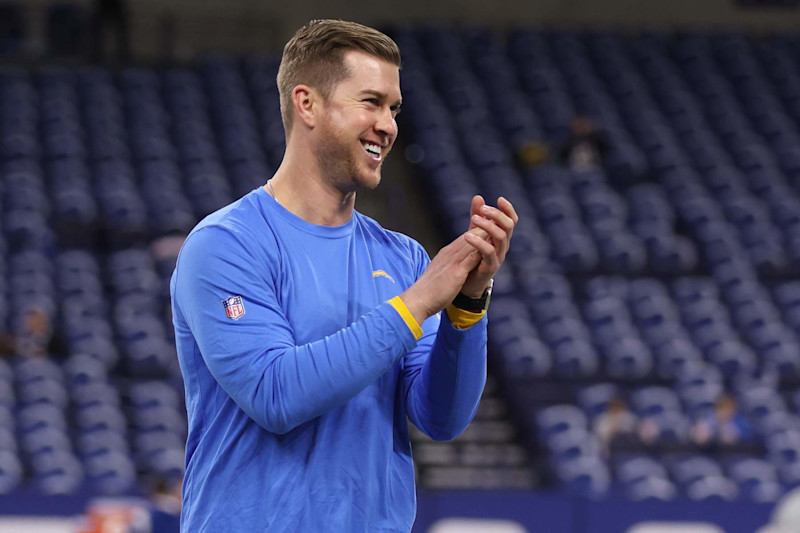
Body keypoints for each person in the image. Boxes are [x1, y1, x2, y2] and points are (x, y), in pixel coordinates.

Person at [170, 19, 517, 532]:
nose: (389, 125)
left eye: (394, 108)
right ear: (306, 103)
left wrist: (467, 304)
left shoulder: (401, 257)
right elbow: (275, 395)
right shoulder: (226, 244)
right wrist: (417, 304)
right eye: (370, 102)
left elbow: (441, 419)